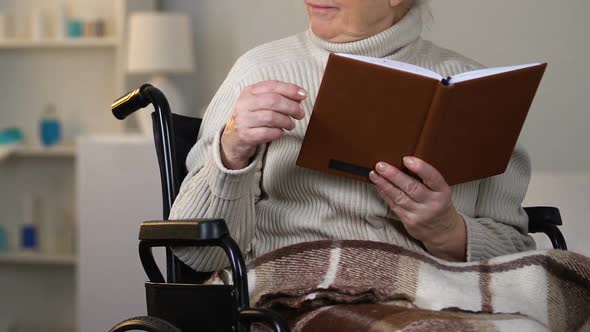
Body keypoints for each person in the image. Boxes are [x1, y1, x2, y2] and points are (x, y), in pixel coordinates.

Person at [170, 0, 536, 272]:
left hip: (438, 289)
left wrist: (447, 231)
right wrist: (232, 151)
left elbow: (516, 258)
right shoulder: (261, 70)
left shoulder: (474, 90)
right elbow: (199, 253)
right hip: (299, 284)